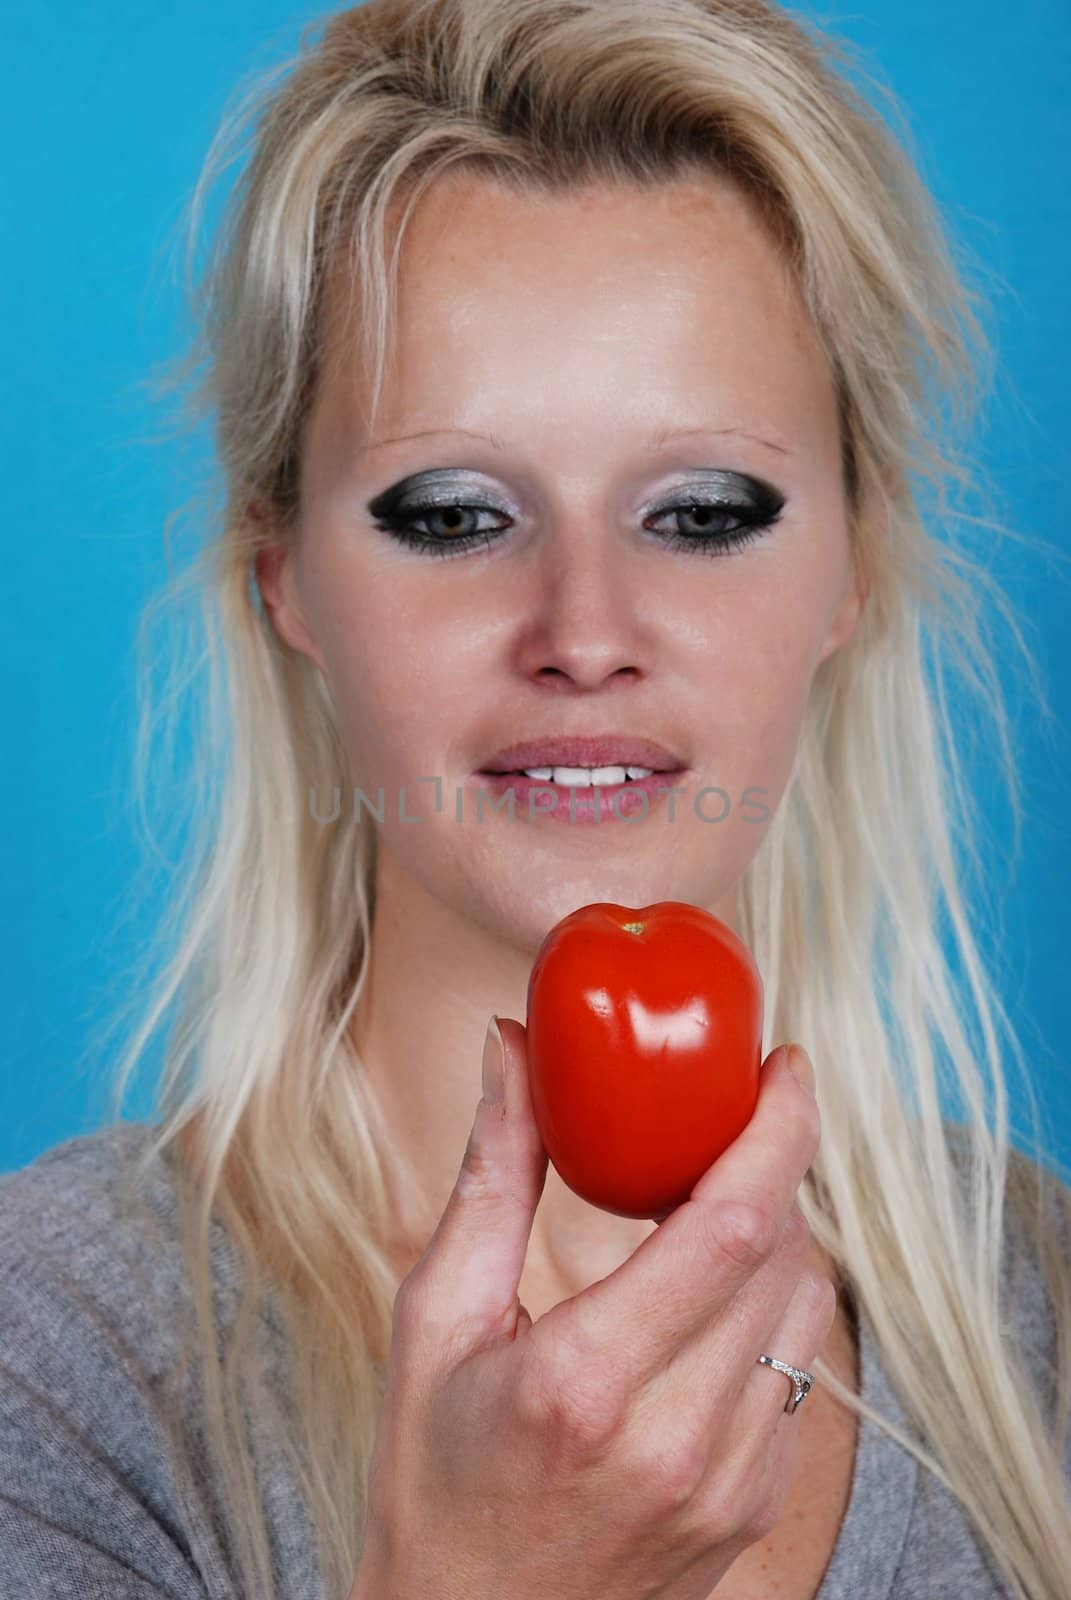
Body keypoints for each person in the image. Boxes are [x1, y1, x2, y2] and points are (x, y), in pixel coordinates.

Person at [2, 1, 1069, 1597]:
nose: (583, 633)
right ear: (284, 575)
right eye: (453, 512)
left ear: (852, 565)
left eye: (703, 511)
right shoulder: (56, 1362)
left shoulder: (1044, 1299)